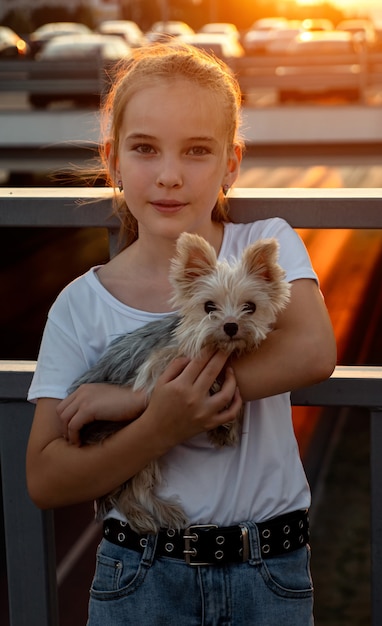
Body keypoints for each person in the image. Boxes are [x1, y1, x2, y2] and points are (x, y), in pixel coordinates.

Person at [26, 42, 336, 625]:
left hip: (268, 566)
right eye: (145, 149)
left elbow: (314, 351)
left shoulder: (262, 243)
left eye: (197, 151)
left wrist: (142, 399)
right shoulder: (82, 305)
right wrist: (159, 427)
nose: (169, 176)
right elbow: (45, 476)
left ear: (231, 163)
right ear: (112, 158)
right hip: (139, 575)